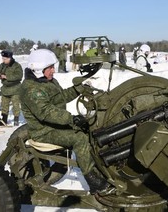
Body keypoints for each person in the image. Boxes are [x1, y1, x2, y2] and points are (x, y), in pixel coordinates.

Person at [20, 49, 108, 194]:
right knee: (79, 139)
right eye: (50, 68)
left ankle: (99, 167)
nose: (53, 70)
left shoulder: (47, 81)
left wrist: (77, 89)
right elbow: (46, 112)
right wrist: (71, 118)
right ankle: (92, 181)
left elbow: (59, 98)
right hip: (44, 131)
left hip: (55, 125)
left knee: (90, 128)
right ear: (38, 69)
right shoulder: (31, 89)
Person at [0, 50, 23, 126]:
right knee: (4, 105)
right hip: (5, 89)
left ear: (10, 58)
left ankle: (16, 121)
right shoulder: (2, 65)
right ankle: (4, 121)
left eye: (5, 59)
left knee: (15, 105)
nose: (3, 60)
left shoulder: (16, 66)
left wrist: (7, 77)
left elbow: (19, 76)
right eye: (2, 59)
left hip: (15, 89)